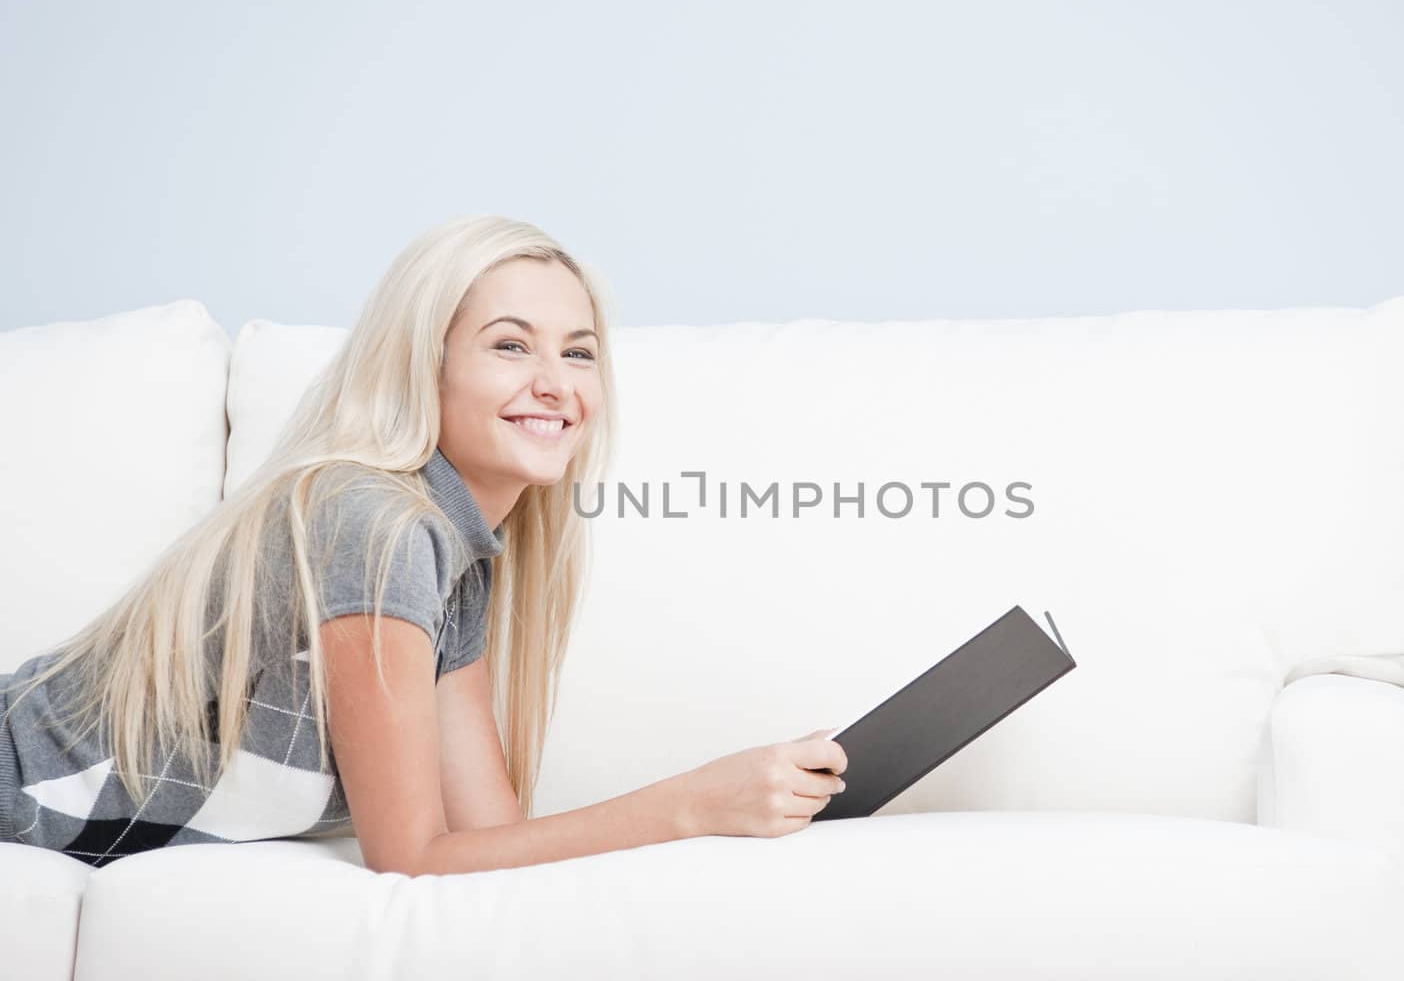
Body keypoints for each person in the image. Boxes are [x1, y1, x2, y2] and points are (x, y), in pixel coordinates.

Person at [0, 213, 847, 875]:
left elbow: (487, 843)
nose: (556, 383)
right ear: (423, 365)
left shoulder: (452, 560)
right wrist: (697, 805)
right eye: (511, 344)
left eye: (579, 352)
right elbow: (413, 859)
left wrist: (730, 796)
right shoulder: (373, 524)